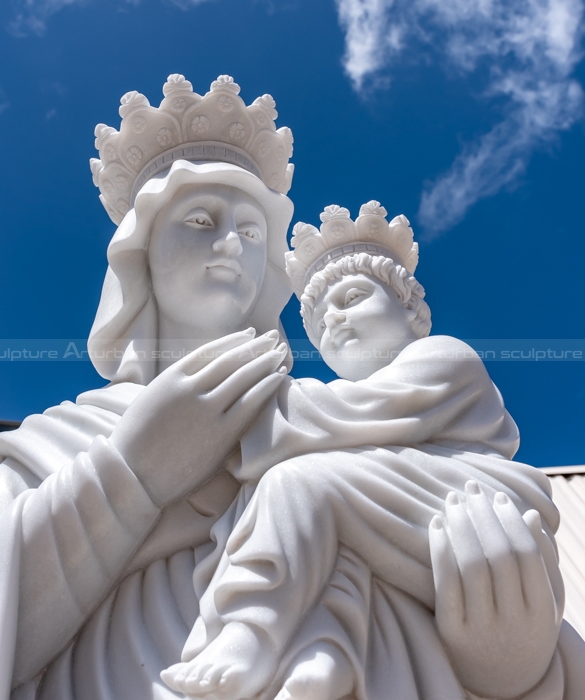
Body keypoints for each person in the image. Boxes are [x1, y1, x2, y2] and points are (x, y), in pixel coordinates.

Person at [0, 76, 299, 700]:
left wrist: (495, 651)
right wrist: (130, 474)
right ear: (143, 255)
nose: (230, 247)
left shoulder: (318, 427)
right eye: (200, 218)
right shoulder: (58, 443)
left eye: (250, 232)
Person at [162, 202, 585, 700]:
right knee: (317, 528)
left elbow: (340, 414)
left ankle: (249, 633)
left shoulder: (443, 357)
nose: (333, 321)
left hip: (469, 504)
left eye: (352, 297)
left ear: (412, 308)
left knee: (297, 484)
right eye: (318, 324)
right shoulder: (348, 463)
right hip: (388, 509)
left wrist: (228, 414)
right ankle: (321, 658)